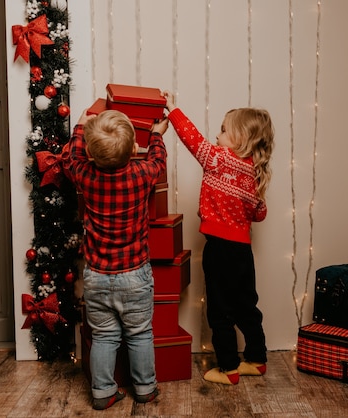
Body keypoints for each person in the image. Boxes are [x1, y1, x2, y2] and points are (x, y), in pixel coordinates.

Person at [164, 91, 275, 385]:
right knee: (247, 306)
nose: (217, 134)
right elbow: (259, 214)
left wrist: (173, 108)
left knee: (220, 311)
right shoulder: (254, 172)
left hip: (219, 250)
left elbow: (192, 138)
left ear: (241, 138)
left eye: (224, 130)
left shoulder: (218, 159)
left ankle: (228, 368)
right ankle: (257, 359)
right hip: (242, 252)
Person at [66, 108, 168, 409]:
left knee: (104, 337)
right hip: (135, 275)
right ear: (134, 147)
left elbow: (70, 160)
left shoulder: (85, 175)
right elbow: (158, 160)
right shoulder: (142, 174)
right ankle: (145, 388)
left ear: (91, 154)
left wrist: (79, 128)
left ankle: (102, 392)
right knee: (139, 334)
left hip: (97, 276)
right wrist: (157, 134)